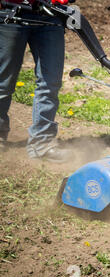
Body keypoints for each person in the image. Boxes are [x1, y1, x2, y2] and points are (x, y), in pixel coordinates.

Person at [0, 0, 73, 162]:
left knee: (50, 82)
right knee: (3, 81)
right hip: (10, 13)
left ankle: (41, 144)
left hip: (51, 15)